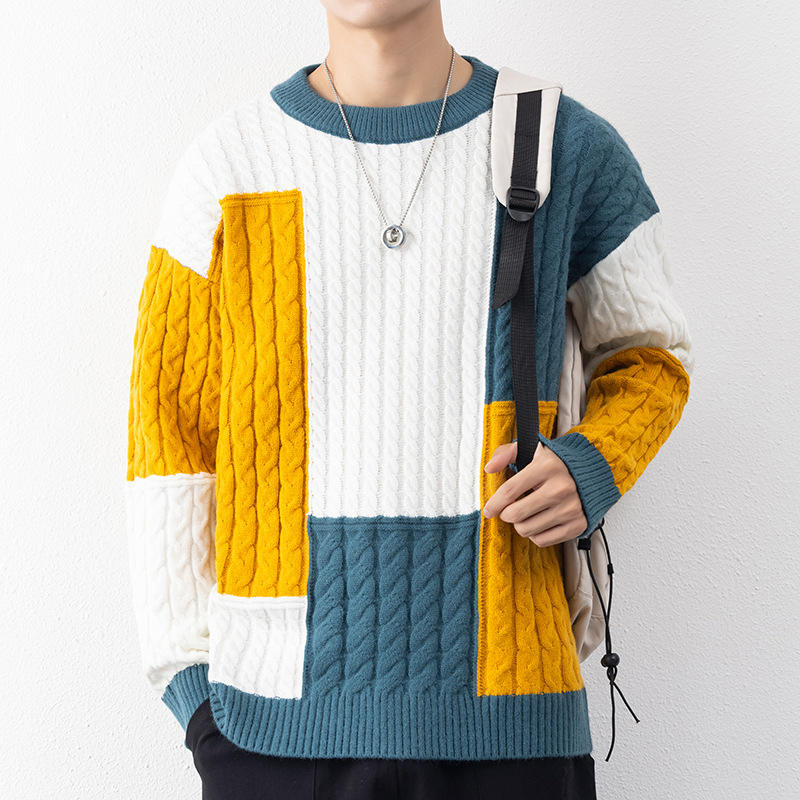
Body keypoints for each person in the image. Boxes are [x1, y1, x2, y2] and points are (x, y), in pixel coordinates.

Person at [124, 1, 693, 798]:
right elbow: (168, 437)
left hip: (514, 718)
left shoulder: (557, 142)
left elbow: (653, 354)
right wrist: (192, 691)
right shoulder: (229, 168)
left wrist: (591, 464)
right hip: (269, 729)